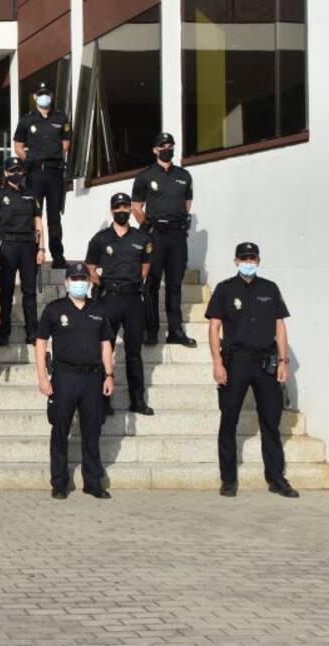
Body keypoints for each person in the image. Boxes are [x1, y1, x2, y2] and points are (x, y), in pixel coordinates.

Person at [206, 242, 298, 498]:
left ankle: (277, 478)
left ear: (258, 260)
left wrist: (282, 361)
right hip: (236, 362)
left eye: (253, 258)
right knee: (229, 419)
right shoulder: (225, 289)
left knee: (271, 421)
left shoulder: (270, 289)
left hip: (265, 363)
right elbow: (214, 327)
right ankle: (228, 479)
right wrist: (217, 362)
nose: (249, 262)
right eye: (244, 258)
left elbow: (280, 326)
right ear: (236, 261)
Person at [36, 263, 115, 500]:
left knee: (92, 431)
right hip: (64, 377)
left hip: (92, 377)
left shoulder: (98, 309)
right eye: (75, 278)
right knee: (60, 430)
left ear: (89, 282)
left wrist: (109, 375)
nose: (79, 281)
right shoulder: (54, 309)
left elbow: (106, 344)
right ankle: (59, 482)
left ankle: (93, 482)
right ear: (66, 282)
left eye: (83, 277)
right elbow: (40, 342)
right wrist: (42, 377)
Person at [85, 192, 154, 417]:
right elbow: (91, 267)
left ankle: (138, 400)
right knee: (107, 348)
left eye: (126, 207)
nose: (122, 210)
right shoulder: (100, 238)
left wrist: (136, 282)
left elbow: (145, 265)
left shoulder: (141, 239)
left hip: (134, 299)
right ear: (112, 210)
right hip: (110, 298)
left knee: (134, 352)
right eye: (118, 207)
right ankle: (103, 401)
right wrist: (101, 285)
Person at [132, 131, 197, 347]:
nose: (167, 149)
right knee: (151, 284)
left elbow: (187, 202)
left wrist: (180, 220)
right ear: (155, 150)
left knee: (174, 285)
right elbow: (136, 207)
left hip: (177, 236)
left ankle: (176, 330)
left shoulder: (184, 175)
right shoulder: (145, 176)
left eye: (170, 145)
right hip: (156, 236)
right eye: (163, 146)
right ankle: (151, 330)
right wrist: (147, 226)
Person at [0, 157, 44, 347]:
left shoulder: (31, 194)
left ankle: (32, 332)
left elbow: (38, 222)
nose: (16, 173)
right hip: (7, 246)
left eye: (18, 170)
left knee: (29, 291)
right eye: (12, 170)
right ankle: (4, 331)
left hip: (28, 246)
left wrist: (42, 248)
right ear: (6, 173)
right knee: (7, 291)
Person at [14, 81, 71, 269]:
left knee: (54, 217)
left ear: (51, 95)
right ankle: (33, 254)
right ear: (35, 97)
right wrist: (29, 159)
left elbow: (65, 144)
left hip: (55, 172)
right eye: (41, 93)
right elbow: (18, 147)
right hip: (35, 172)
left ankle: (58, 255)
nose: (44, 96)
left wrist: (52, 155)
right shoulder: (26, 120)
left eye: (47, 93)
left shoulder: (61, 118)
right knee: (33, 214)